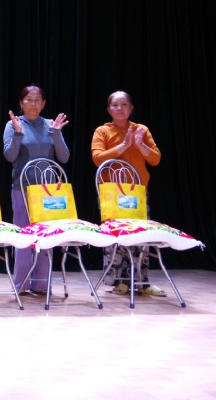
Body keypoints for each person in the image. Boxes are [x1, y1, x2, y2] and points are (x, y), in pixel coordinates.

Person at [91, 90, 164, 296]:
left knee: (141, 237)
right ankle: (120, 281)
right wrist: (123, 145)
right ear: (109, 110)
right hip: (112, 194)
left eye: (124, 105)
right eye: (115, 105)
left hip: (137, 193)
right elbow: (98, 158)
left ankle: (142, 282)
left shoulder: (141, 130)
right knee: (118, 238)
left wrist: (140, 145)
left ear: (131, 109)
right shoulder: (102, 131)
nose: (120, 108)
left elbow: (155, 159)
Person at [2, 85, 69, 294]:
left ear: (43, 104)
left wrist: (56, 134)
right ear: (21, 103)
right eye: (28, 100)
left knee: (45, 238)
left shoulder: (50, 125)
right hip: (21, 189)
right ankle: (21, 285)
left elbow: (64, 157)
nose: (33, 104)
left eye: (37, 100)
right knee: (23, 238)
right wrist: (18, 134)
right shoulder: (13, 124)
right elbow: (10, 156)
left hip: (47, 193)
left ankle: (41, 284)